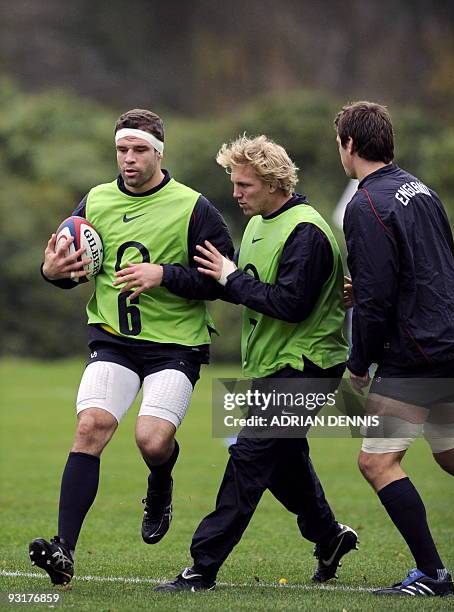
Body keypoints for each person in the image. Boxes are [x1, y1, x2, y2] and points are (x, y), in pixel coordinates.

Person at [29, 108, 234, 586]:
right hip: (114, 341)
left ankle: (159, 482)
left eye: (139, 150)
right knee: (91, 427)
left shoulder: (194, 207)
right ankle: (64, 551)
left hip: (175, 347)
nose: (129, 159)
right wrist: (51, 272)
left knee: (152, 439)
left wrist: (165, 275)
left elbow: (225, 281)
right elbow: (66, 265)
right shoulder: (95, 201)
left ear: (159, 154)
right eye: (122, 150)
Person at [156, 134, 358, 592]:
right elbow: (242, 286)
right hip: (271, 365)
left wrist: (230, 277)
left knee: (248, 458)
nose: (236, 193)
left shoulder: (305, 231)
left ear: (272, 183)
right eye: (235, 183)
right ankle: (328, 537)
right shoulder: (257, 224)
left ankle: (201, 567)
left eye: (244, 185)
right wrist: (195, 276)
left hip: (307, 366)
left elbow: (290, 305)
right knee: (282, 462)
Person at [335, 101, 454, 597]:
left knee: (377, 462)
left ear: (349, 145)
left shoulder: (365, 205)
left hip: (416, 352)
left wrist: (359, 364)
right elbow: (428, 265)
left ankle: (433, 575)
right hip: (450, 339)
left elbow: (377, 301)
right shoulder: (420, 188)